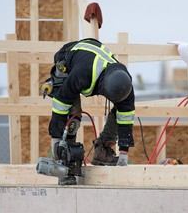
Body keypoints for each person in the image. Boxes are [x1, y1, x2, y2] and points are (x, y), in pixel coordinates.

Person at [44, 38, 135, 185]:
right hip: (68, 59)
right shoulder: (81, 75)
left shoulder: (125, 84)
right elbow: (60, 105)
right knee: (72, 120)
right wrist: (56, 141)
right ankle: (66, 164)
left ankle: (102, 149)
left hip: (91, 56)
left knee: (121, 111)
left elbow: (126, 117)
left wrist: (124, 155)